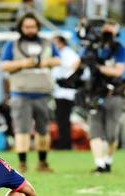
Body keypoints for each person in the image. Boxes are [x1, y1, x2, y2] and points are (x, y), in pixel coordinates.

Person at [0, 13, 60, 173]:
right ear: (21, 27)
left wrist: (43, 62)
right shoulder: (11, 45)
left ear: (37, 27)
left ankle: (43, 162)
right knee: (22, 130)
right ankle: (22, 164)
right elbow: (4, 65)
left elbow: (58, 60)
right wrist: (23, 63)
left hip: (43, 92)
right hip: (20, 93)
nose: (30, 30)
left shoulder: (47, 43)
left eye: (32, 26)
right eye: (26, 27)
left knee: (43, 130)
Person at [85, 20, 125, 173]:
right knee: (95, 130)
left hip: (114, 94)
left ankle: (108, 160)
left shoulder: (119, 49)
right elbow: (78, 64)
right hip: (94, 93)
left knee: (111, 133)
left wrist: (97, 67)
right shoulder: (93, 47)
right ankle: (100, 164)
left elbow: (117, 72)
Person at [51, 35, 80, 150]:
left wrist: (67, 77)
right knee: (61, 119)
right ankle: (64, 141)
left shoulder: (67, 52)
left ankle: (65, 143)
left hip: (65, 92)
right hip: (59, 91)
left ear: (61, 43)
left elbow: (77, 62)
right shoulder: (59, 54)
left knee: (63, 119)